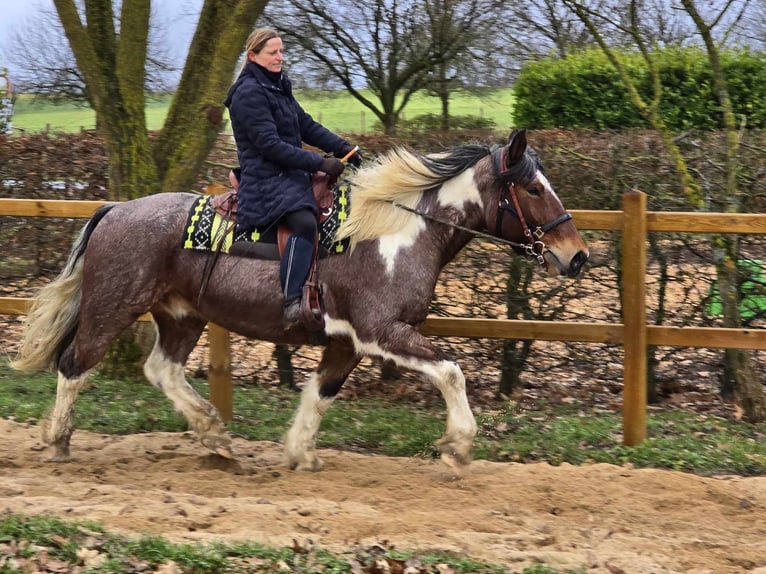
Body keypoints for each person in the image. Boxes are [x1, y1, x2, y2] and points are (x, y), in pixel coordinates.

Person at [224, 28, 362, 327]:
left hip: (289, 173)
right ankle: (291, 300)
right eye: (272, 52)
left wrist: (342, 147)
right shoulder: (248, 93)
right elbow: (269, 146)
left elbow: (305, 125)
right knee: (304, 222)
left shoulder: (278, 85)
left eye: (281, 51)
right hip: (265, 178)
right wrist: (321, 163)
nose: (279, 57)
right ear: (253, 56)